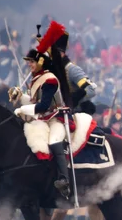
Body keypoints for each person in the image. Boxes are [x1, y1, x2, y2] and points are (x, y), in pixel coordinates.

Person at [9, 22, 73, 198]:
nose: (29, 65)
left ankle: (64, 180)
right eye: (29, 62)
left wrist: (22, 109)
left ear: (41, 61)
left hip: (56, 118)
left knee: (53, 141)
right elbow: (33, 101)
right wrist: (19, 96)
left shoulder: (50, 80)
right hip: (43, 118)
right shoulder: (36, 79)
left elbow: (44, 106)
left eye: (32, 61)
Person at [53, 31, 97, 110]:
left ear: (61, 54)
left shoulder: (72, 70)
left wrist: (73, 100)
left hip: (75, 115)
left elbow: (90, 90)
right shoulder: (51, 72)